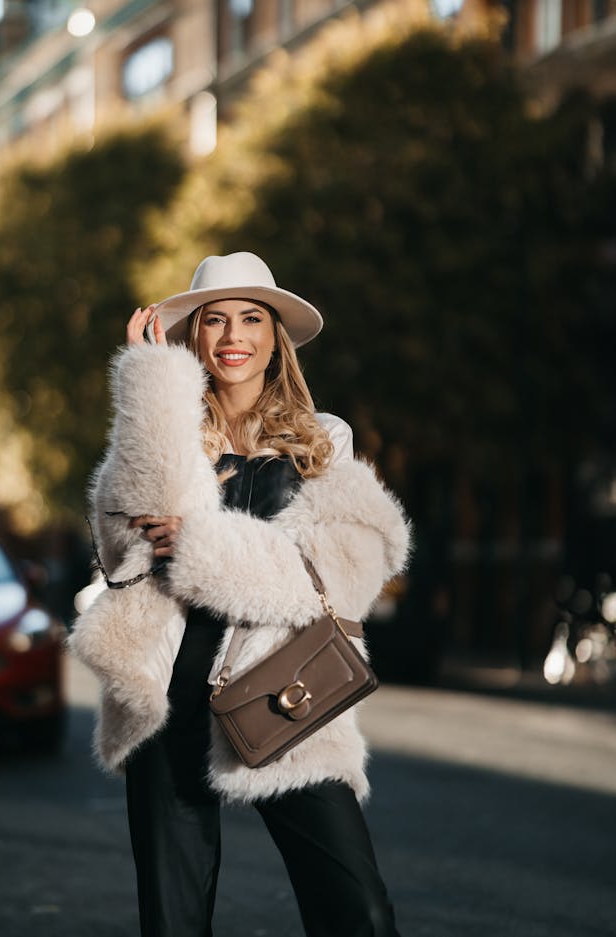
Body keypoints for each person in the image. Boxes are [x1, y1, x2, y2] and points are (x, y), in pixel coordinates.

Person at [69, 252, 411, 937]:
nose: (234, 334)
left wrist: (200, 544)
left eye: (252, 317)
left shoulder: (324, 440)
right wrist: (151, 392)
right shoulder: (163, 433)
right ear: (193, 335)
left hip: (285, 693)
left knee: (361, 912)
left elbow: (334, 584)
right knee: (175, 922)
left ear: (274, 337)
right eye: (215, 319)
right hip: (167, 696)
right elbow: (121, 551)